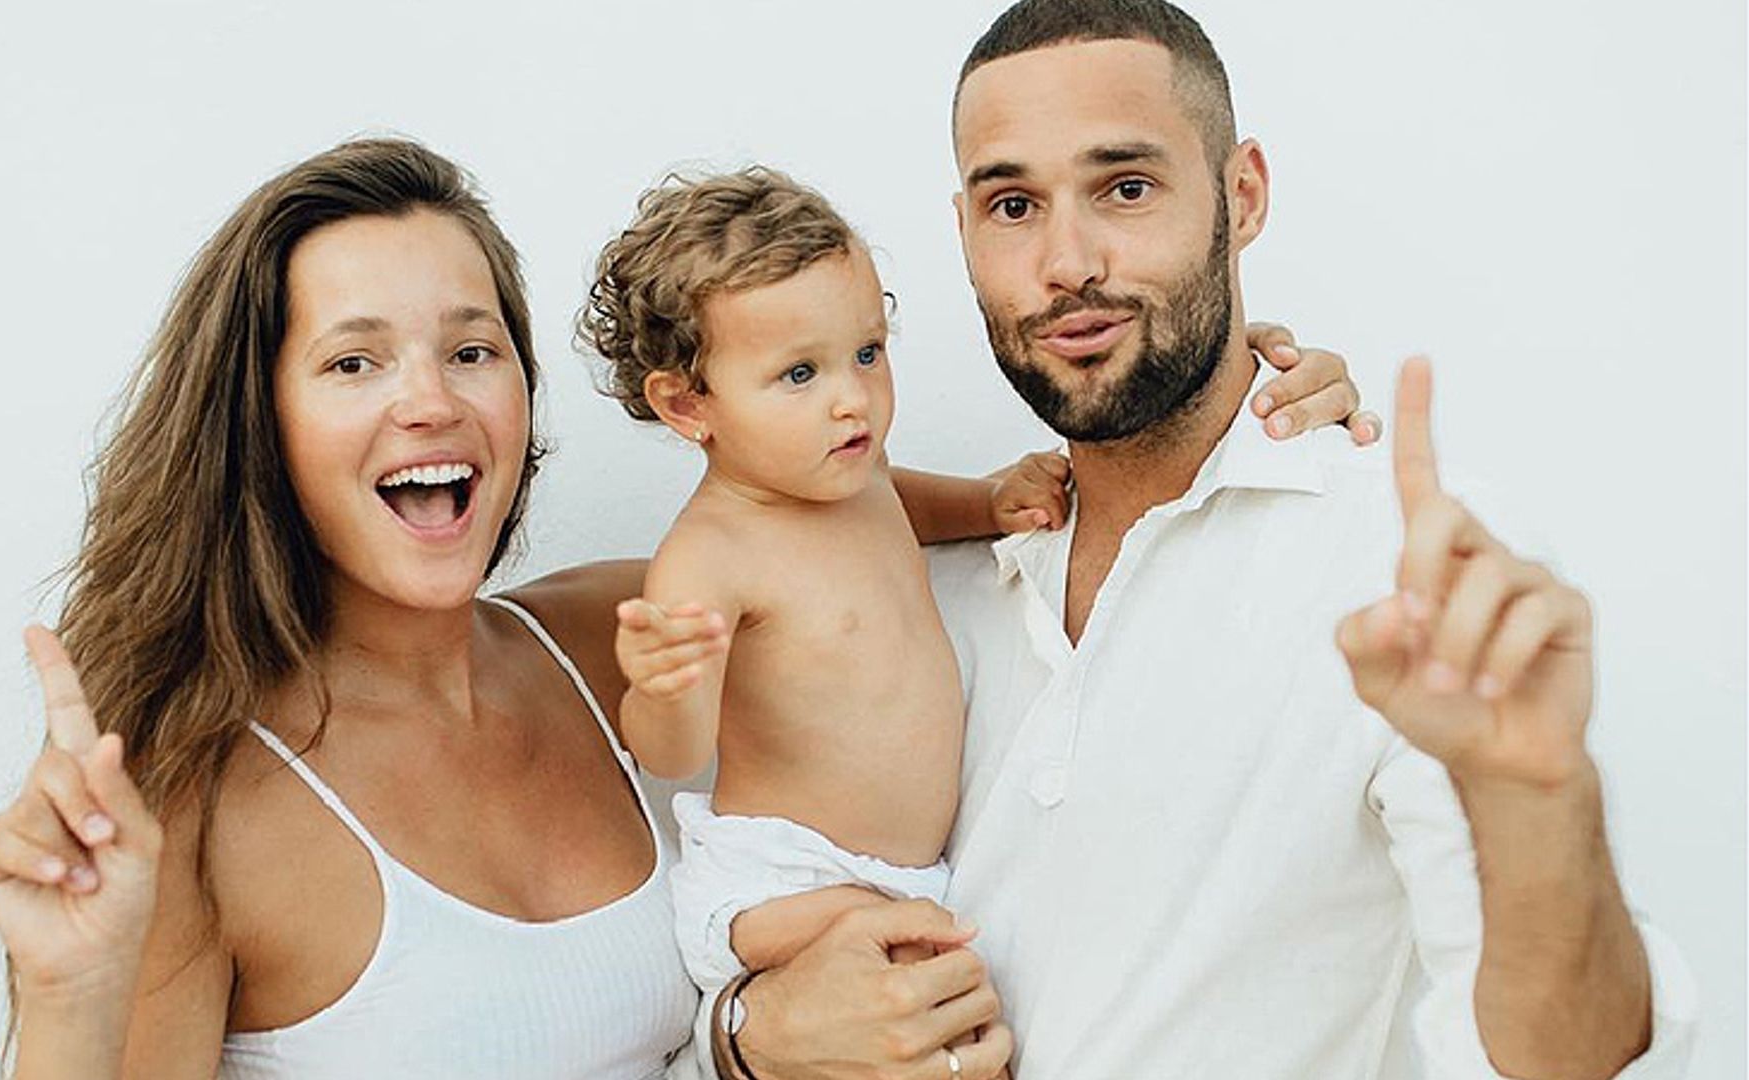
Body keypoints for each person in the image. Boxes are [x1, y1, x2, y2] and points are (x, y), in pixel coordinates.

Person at [0, 136, 1370, 1078]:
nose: (431, 398)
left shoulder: (604, 638)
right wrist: (70, 998)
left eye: (473, 346)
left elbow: (901, 570)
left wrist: (1254, 406)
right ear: (256, 422)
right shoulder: (194, 802)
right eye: (351, 363)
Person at [709, 2, 1698, 1079]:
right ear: (964, 234)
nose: (1066, 262)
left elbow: (1566, 1065)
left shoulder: (1410, 562)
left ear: (1243, 195)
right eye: (1012, 204)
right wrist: (746, 1038)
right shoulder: (903, 568)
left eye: (1125, 188)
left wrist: (1539, 803)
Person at [583, 167, 1072, 1010]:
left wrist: (987, 502)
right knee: (935, 988)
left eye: (867, 352)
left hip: (907, 872)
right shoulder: (714, 552)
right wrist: (666, 689)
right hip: (782, 882)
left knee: (948, 982)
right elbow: (670, 753)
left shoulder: (852, 470)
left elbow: (902, 500)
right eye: (800, 375)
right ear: (687, 402)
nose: (854, 400)